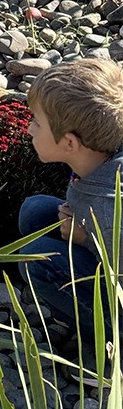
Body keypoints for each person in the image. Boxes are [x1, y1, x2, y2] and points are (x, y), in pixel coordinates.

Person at [19, 58, 123, 342]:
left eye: (37, 123)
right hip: (99, 234)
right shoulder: (102, 151)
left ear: (69, 143)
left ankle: (112, 345)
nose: (29, 129)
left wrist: (86, 239)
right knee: (36, 212)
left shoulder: (108, 205)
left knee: (36, 259)